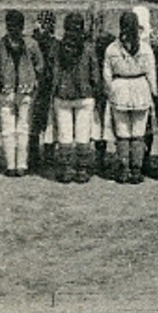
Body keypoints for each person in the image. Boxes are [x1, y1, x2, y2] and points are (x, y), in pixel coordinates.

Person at [103, 10, 158, 184]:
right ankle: (136, 169)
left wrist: (111, 90)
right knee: (138, 133)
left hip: (120, 90)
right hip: (140, 89)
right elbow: (151, 73)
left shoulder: (112, 48)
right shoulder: (145, 48)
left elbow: (107, 74)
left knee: (122, 133)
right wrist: (154, 92)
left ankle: (123, 168)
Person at [0, 10, 44, 178]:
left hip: (5, 90)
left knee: (8, 129)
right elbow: (40, 66)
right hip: (25, 89)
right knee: (23, 128)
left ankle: (11, 165)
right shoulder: (32, 44)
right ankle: (21, 165)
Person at [49, 12, 102, 184]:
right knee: (83, 133)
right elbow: (95, 75)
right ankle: (82, 170)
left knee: (64, 134)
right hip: (85, 95)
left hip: (62, 95)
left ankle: (65, 170)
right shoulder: (88, 47)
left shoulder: (57, 47)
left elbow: (53, 72)